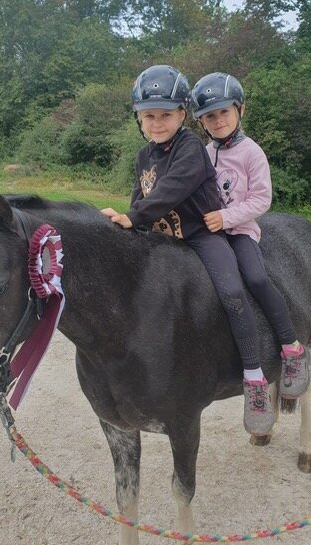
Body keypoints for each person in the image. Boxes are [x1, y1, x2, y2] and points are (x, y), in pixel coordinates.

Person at [101, 64, 275, 437]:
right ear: (139, 118)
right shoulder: (143, 156)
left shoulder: (191, 148)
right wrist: (123, 225)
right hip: (163, 240)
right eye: (149, 116)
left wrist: (136, 216)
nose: (157, 123)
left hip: (201, 236)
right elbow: (140, 196)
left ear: (183, 115)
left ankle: (254, 375)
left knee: (232, 291)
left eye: (166, 115)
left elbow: (173, 189)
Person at [190, 72, 310, 402]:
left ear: (240, 109)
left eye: (224, 111)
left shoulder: (251, 153)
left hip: (240, 231)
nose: (218, 120)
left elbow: (261, 199)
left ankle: (291, 346)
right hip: (209, 235)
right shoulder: (204, 153)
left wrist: (226, 218)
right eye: (210, 116)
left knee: (256, 278)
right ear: (201, 122)